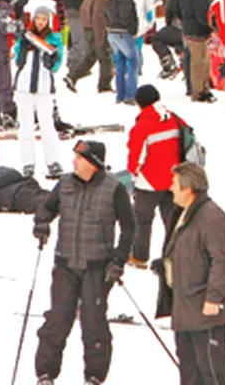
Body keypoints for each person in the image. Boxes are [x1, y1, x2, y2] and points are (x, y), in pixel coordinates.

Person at [32, 140, 135, 385]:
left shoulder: (114, 189)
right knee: (57, 319)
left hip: (97, 268)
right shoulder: (65, 183)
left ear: (93, 163)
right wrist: (42, 223)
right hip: (66, 263)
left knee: (94, 324)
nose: (73, 162)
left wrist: (118, 260)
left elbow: (129, 228)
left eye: (79, 158)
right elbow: (46, 208)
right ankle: (45, 373)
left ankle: (94, 376)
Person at [157, 162, 225, 384]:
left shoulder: (211, 216)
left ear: (188, 188)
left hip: (204, 310)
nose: (171, 188)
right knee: (189, 373)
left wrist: (214, 298)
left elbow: (222, 261)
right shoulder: (183, 213)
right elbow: (189, 252)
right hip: (185, 308)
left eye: (174, 184)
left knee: (212, 372)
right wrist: (166, 265)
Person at [125, 85, 180, 270]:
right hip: (174, 180)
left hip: (149, 182)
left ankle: (140, 257)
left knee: (142, 220)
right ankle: (174, 258)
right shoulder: (174, 118)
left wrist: (133, 172)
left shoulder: (142, 127)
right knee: (173, 222)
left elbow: (136, 158)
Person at [14, 2, 65, 180]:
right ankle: (28, 163)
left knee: (47, 126)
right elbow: (18, 60)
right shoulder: (25, 37)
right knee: (25, 127)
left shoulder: (54, 39)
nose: (40, 22)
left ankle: (53, 162)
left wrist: (52, 59)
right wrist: (21, 43)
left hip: (44, 88)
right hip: (24, 88)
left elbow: (57, 64)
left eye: (44, 19)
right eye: (38, 18)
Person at [65, 0, 113, 94]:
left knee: (91, 56)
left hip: (88, 28)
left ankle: (72, 76)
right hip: (96, 30)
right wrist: (100, 36)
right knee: (106, 57)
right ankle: (105, 85)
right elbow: (98, 17)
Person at [180, 0, 217, 103]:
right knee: (199, 62)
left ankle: (203, 88)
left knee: (201, 61)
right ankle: (198, 91)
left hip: (188, 29)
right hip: (198, 32)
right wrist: (211, 28)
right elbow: (203, 15)